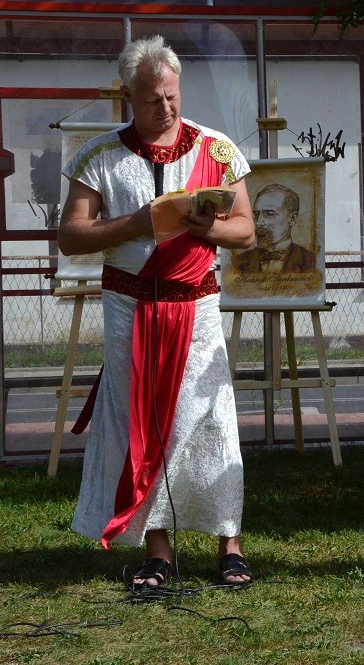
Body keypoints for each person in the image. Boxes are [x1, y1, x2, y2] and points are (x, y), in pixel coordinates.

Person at [58, 35, 257, 588]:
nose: (166, 108)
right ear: (128, 96)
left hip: (198, 308)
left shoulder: (216, 150)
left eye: (172, 96)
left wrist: (206, 226)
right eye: (152, 100)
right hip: (130, 309)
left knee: (210, 422)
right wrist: (137, 224)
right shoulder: (97, 157)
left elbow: (245, 230)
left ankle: (229, 543)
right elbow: (71, 237)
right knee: (140, 426)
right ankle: (158, 551)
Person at [232, 183, 317, 274]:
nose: (258, 222)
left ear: (292, 219)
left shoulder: (311, 262)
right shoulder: (237, 263)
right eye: (256, 215)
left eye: (269, 214)